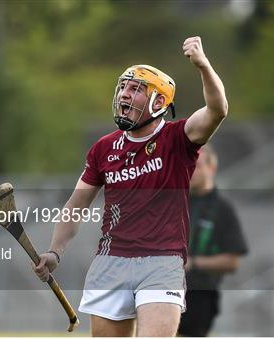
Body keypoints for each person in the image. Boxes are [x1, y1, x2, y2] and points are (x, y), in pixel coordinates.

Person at [33, 36, 228, 336]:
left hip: (162, 260)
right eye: (123, 87)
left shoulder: (179, 138)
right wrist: (54, 252)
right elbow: (76, 206)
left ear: (159, 102)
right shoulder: (104, 148)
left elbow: (217, 110)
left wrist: (202, 65)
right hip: (111, 261)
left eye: (136, 89)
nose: (124, 94)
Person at [177, 144, 249, 337]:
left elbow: (232, 261)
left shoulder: (222, 209)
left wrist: (193, 263)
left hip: (200, 295)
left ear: (212, 168)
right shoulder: (174, 201)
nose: (191, 171)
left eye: (197, 166)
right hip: (165, 288)